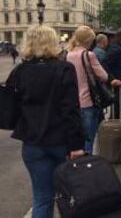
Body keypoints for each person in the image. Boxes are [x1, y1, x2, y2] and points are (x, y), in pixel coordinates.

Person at [5, 25, 85, 218]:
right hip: (61, 141)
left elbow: (11, 109)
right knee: (68, 195)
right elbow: (71, 109)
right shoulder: (64, 69)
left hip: (33, 142)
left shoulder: (20, 72)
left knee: (42, 197)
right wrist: (76, 144)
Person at [66, 26, 121, 154]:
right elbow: (103, 76)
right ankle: (87, 164)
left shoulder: (68, 54)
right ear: (89, 40)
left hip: (72, 103)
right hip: (87, 101)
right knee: (88, 139)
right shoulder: (88, 55)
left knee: (76, 139)